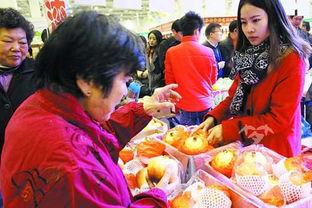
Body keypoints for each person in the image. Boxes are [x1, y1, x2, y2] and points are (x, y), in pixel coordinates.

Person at [0, 11, 182, 207]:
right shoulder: (74, 166)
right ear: (87, 80)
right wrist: (157, 196)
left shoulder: (43, 105)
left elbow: (92, 135)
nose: (124, 92)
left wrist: (143, 109)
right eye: (125, 80)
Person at [196, 0, 311, 157]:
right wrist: (214, 117)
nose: (249, 29)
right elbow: (233, 97)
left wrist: (230, 129)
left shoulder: (290, 58)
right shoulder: (247, 54)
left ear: (273, 18)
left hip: (275, 149)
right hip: (246, 146)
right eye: (243, 23)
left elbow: (278, 119)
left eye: (256, 20)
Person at [165, 11, 217, 126]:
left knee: (187, 139)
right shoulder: (209, 52)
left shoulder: (171, 52)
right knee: (207, 139)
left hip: (184, 105)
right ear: (196, 31)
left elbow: (170, 82)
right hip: (205, 103)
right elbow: (213, 80)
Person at [0, 8, 36, 157]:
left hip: (31, 155)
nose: (16, 48)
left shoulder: (40, 72)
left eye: (22, 42)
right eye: (8, 41)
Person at [146, 30, 164, 95]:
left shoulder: (160, 51)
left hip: (158, 83)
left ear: (158, 39)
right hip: (150, 83)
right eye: (150, 38)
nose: (151, 41)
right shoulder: (148, 51)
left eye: (154, 39)